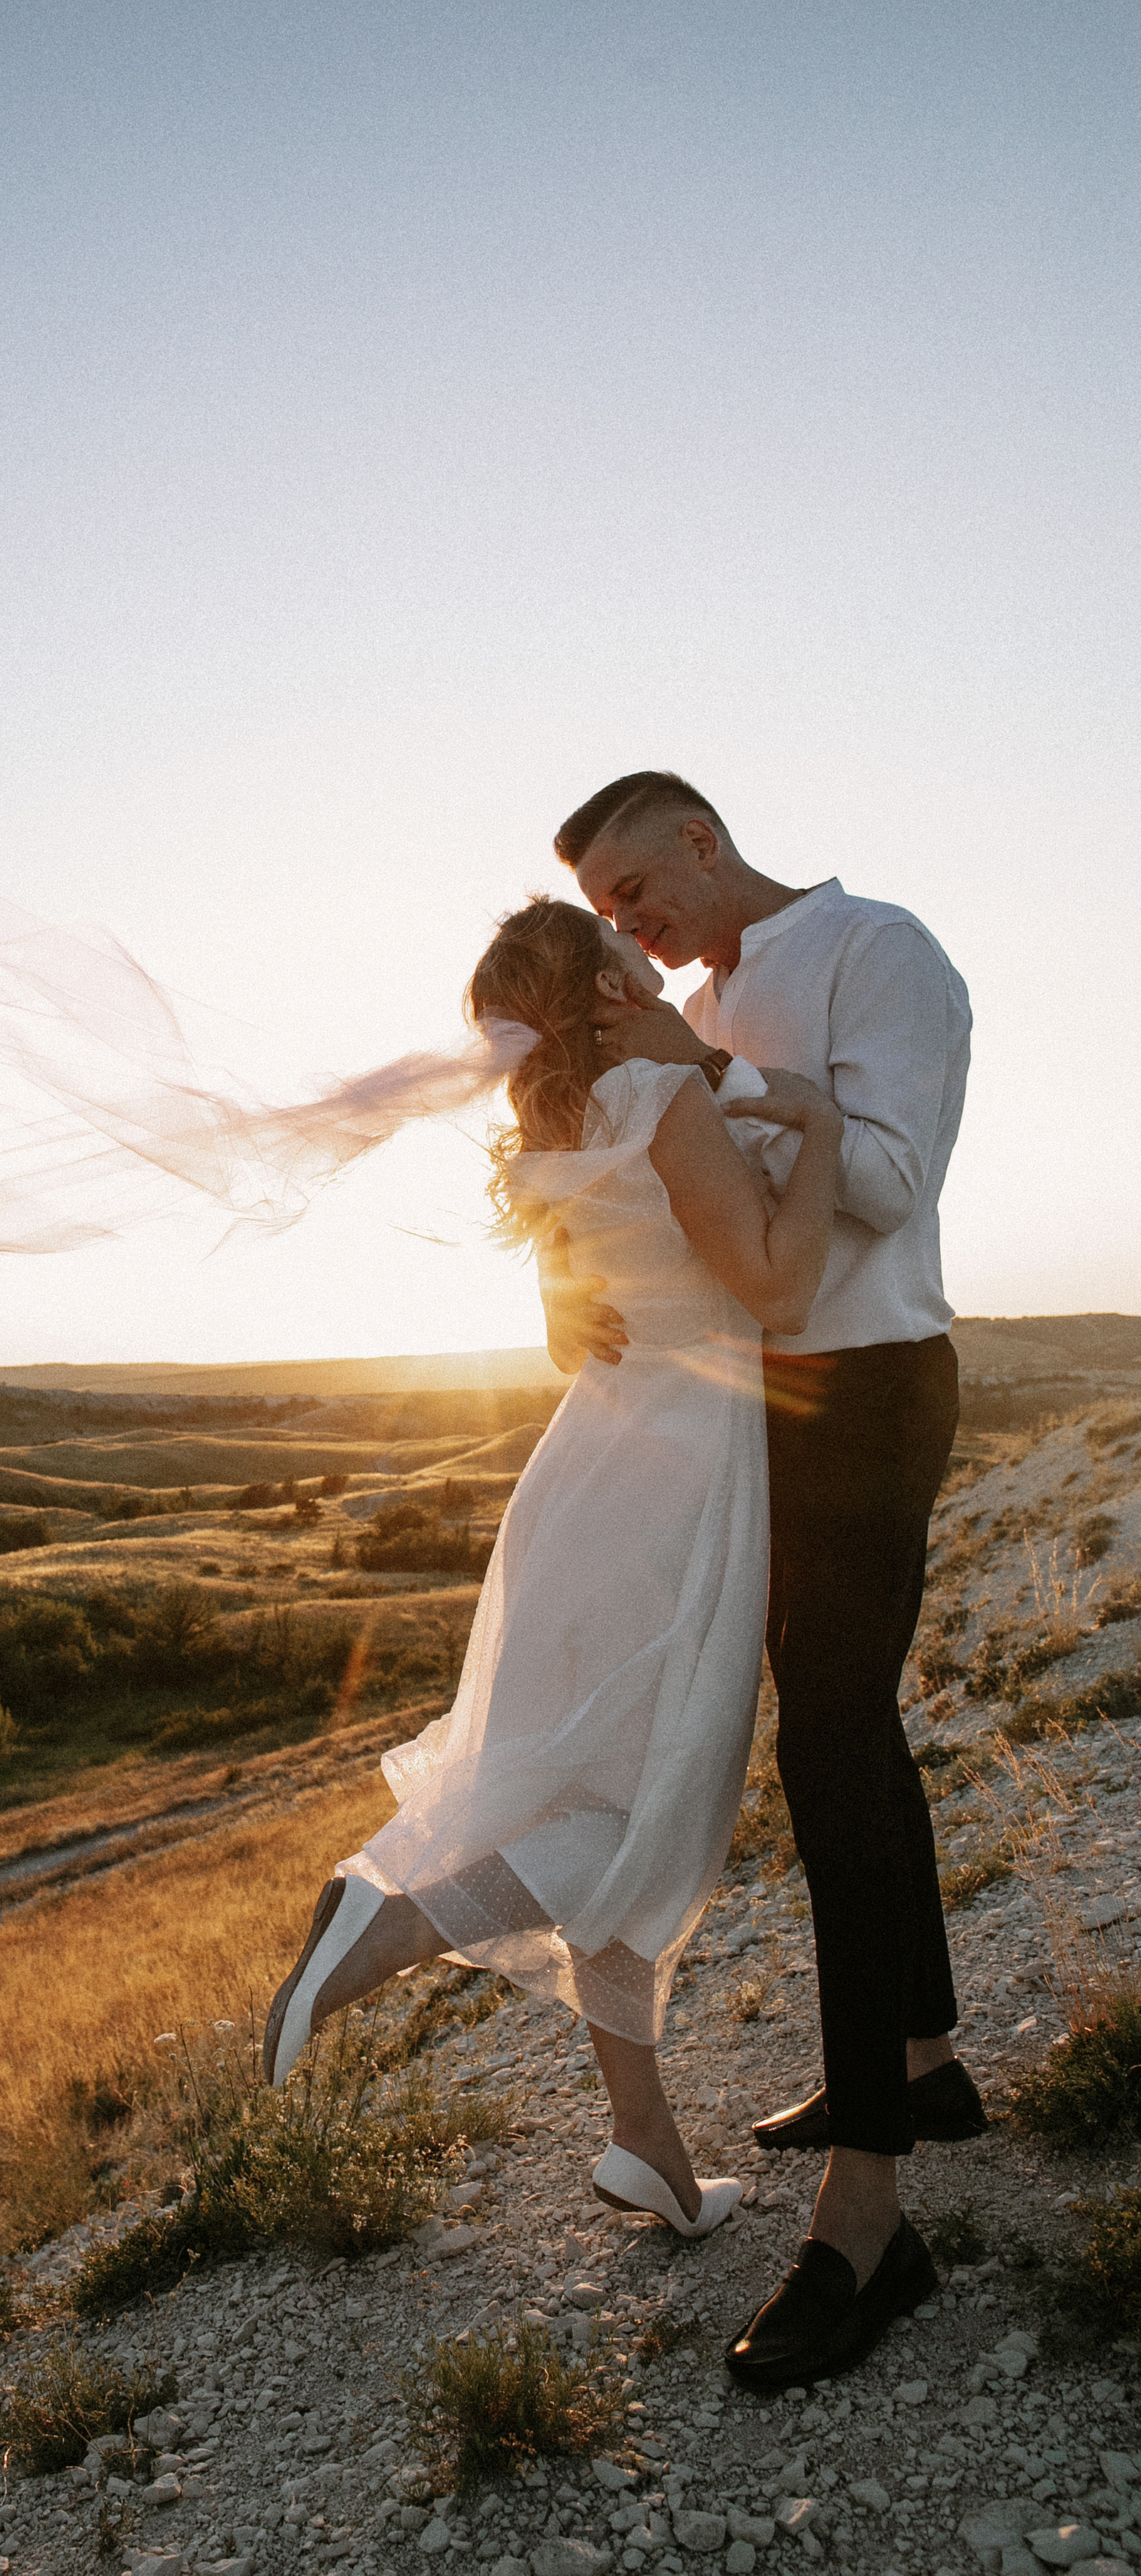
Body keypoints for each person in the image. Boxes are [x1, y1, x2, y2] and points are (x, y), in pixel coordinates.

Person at [263, 895, 842, 2248]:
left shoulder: (561, 1125)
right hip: (682, 1477)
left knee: (610, 1788)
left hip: (594, 1472)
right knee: (646, 1805)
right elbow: (779, 1288)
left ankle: (648, 2149)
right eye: (622, 952)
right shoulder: (655, 1100)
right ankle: (390, 1925)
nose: (647, 957)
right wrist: (812, 1129)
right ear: (595, 992)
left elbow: (567, 1319)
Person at [547, 770, 976, 2393]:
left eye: (627, 890)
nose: (623, 926)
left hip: (866, 1387)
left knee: (822, 1746)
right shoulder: (699, 1002)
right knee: (843, 1731)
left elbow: (884, 1179)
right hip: (745, 1409)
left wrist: (701, 1069)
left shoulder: (879, 948)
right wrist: (568, 1294)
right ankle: (925, 2061)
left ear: (699, 841)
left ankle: (869, 2210)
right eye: (600, 914)